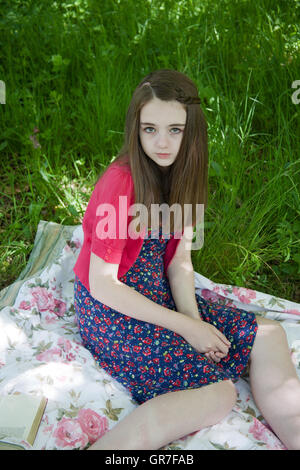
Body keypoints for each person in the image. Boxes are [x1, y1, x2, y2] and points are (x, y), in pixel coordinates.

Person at [73, 69, 300, 450]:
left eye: (175, 130)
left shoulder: (187, 176)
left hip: (158, 294)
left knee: (268, 334)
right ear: (136, 129)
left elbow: (178, 262)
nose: (162, 142)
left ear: (191, 130)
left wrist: (195, 325)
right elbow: (103, 284)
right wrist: (184, 327)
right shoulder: (121, 182)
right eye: (150, 129)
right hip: (112, 309)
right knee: (218, 394)